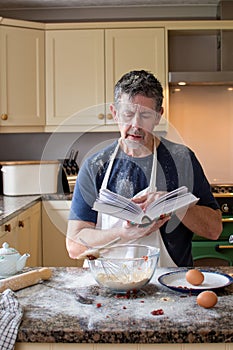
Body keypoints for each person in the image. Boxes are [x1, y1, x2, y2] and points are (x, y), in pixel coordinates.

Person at [66, 69, 222, 267]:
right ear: (115, 114)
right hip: (108, 286)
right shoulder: (95, 165)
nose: (135, 125)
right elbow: (74, 245)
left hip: (167, 287)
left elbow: (214, 229)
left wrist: (174, 204)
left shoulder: (182, 159)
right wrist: (123, 234)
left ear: (159, 117)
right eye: (128, 114)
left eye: (146, 115)